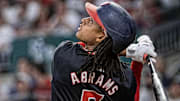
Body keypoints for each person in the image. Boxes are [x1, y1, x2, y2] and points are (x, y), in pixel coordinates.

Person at [51, 1, 157, 101]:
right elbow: (134, 97)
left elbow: (89, 51)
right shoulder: (125, 76)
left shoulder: (64, 53)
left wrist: (129, 51)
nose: (84, 20)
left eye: (91, 21)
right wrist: (137, 60)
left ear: (101, 37)